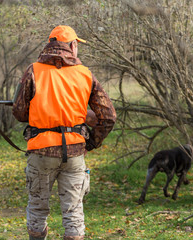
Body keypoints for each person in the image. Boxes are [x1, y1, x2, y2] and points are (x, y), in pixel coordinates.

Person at [12, 25, 116, 240]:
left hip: (41, 152)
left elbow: (19, 112)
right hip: (75, 152)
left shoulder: (34, 70)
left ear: (49, 45)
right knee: (73, 212)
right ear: (73, 45)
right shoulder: (85, 74)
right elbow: (108, 116)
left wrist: (40, 110)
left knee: (38, 210)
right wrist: (91, 142)